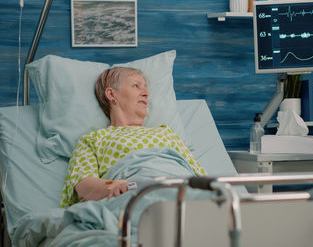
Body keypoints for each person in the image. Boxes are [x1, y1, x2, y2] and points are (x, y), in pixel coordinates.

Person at [60, 67, 206, 208]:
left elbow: (201, 178)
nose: (146, 93)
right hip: (135, 194)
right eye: (136, 86)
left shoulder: (166, 133)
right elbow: (82, 186)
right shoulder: (94, 139)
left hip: (185, 190)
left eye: (146, 88)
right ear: (111, 94)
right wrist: (113, 186)